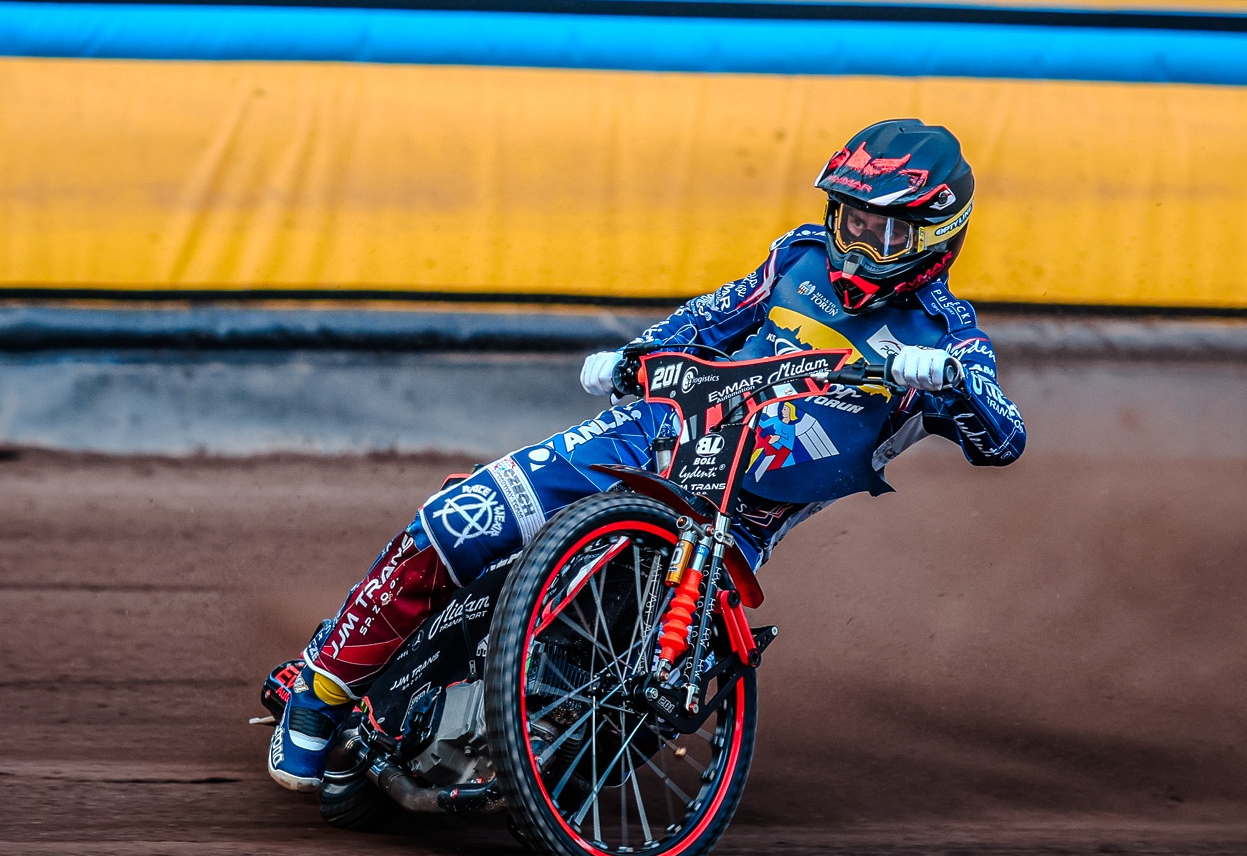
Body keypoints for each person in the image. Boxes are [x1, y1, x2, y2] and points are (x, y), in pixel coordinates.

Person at [264, 118, 1028, 791]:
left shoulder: (947, 337)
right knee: (455, 522)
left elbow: (1004, 438)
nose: (856, 243)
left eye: (882, 231)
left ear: (934, 235)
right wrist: (639, 354)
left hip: (732, 527)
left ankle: (513, 759)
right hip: (647, 437)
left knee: (643, 696)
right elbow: (708, 316)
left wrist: (955, 381)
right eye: (849, 220)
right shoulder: (796, 259)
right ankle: (320, 688)